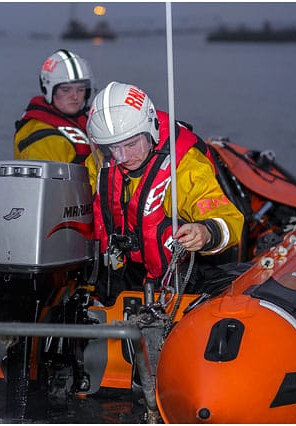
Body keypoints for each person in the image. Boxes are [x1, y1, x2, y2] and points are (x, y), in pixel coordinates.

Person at [87, 81, 245, 302]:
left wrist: (205, 232)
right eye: (113, 148)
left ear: (150, 129)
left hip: (175, 278)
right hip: (120, 275)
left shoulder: (184, 165)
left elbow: (229, 220)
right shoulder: (103, 162)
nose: (123, 157)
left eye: (132, 145)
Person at [14, 49, 97, 190]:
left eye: (81, 89)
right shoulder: (43, 140)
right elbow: (53, 194)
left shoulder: (85, 120)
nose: (75, 96)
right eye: (66, 90)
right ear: (49, 90)